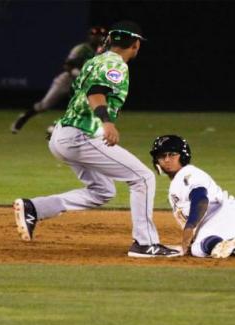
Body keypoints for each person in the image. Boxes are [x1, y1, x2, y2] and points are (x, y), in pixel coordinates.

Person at [14, 21, 181, 258]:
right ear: (135, 45)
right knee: (142, 178)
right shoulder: (115, 64)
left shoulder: (95, 60)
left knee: (102, 191)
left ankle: (35, 208)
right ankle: (145, 244)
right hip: (81, 136)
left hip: (63, 134)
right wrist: (107, 121)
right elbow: (96, 93)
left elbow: (77, 95)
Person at [10, 26, 108, 135]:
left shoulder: (104, 52)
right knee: (44, 105)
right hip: (68, 80)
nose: (98, 38)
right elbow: (68, 65)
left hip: (84, 83)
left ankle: (55, 126)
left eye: (100, 36)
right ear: (90, 37)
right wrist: (78, 73)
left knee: (82, 107)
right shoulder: (81, 48)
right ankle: (23, 118)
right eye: (95, 36)